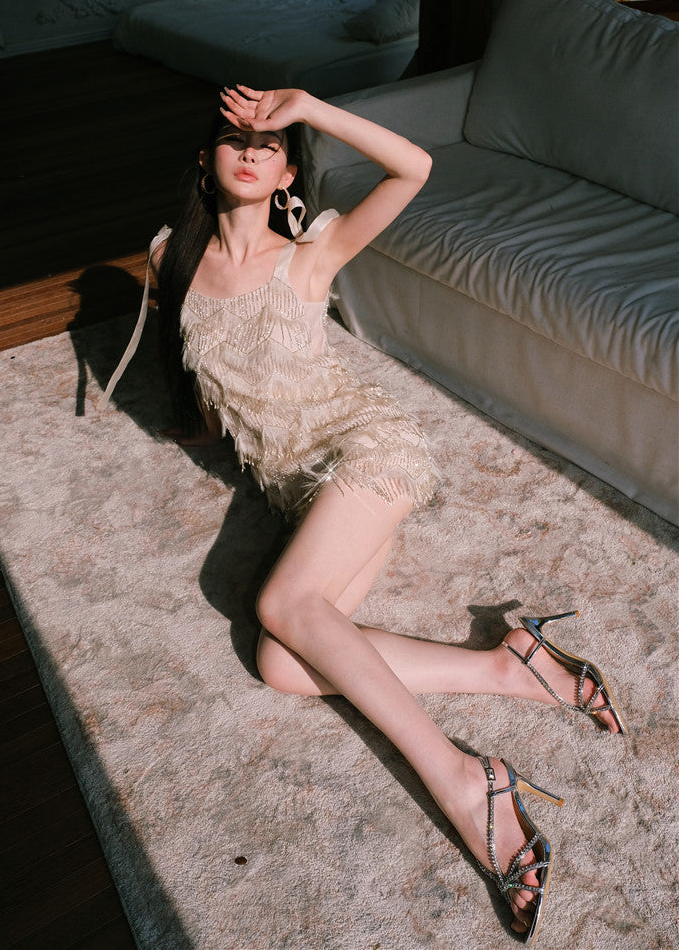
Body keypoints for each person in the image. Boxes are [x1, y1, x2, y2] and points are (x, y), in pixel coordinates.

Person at [109, 85, 626, 944]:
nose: (252, 148)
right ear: (204, 160)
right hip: (303, 490)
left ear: (287, 173)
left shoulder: (309, 253)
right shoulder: (172, 256)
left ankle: (465, 780)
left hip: (370, 454)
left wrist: (307, 107)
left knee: (281, 604)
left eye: (270, 142)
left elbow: (412, 167)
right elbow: (196, 364)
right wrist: (194, 427)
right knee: (281, 664)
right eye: (235, 137)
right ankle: (510, 666)